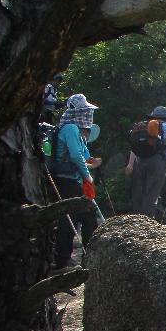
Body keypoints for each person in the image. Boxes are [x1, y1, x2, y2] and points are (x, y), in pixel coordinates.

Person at [50, 93, 102, 269]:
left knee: (85, 218)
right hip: (67, 181)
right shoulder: (71, 129)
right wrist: (87, 174)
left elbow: (81, 156)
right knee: (71, 219)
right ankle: (63, 260)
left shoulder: (74, 130)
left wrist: (89, 165)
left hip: (74, 180)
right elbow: (75, 155)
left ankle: (85, 258)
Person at [125, 105, 166, 218]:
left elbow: (133, 147)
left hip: (140, 161)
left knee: (141, 192)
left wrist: (130, 164)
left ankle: (139, 218)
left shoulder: (143, 125)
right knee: (152, 192)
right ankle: (148, 221)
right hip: (158, 161)